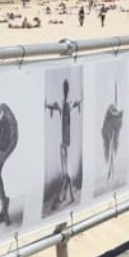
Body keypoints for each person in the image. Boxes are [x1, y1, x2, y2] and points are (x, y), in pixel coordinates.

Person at [45, 78, 82, 207]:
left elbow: (51, 106)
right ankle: (68, 195)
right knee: (66, 170)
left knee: (66, 170)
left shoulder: (64, 104)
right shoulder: (66, 104)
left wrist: (46, 105)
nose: (66, 91)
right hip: (66, 142)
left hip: (65, 143)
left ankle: (66, 195)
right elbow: (77, 103)